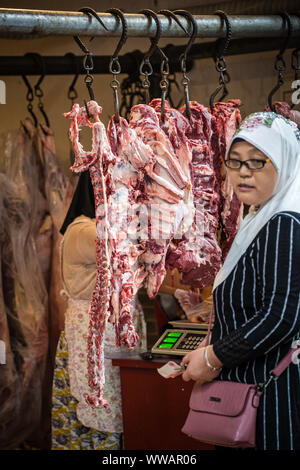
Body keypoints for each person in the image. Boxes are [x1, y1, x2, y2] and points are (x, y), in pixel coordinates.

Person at [180, 112, 300, 450]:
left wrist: (213, 357)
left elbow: (280, 315)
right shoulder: (260, 219)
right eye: (235, 162)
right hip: (251, 391)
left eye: (258, 162)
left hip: (271, 397)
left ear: (286, 162)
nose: (243, 172)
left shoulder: (284, 223)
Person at [51, 171, 147, 450]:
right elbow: (119, 244)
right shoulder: (82, 230)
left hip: (114, 334)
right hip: (92, 337)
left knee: (121, 408)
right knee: (97, 414)